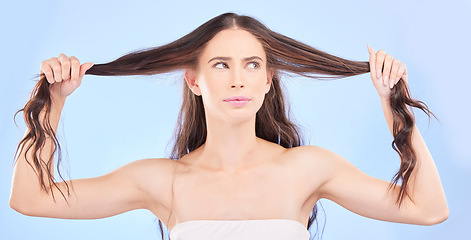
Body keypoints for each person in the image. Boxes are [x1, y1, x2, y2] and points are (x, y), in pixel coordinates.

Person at [9, 12, 448, 240]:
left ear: (268, 78)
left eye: (252, 64)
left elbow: (427, 210)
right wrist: (52, 101)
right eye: (221, 65)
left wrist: (393, 102)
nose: (238, 79)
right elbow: (31, 199)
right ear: (194, 80)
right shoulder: (164, 182)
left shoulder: (307, 170)